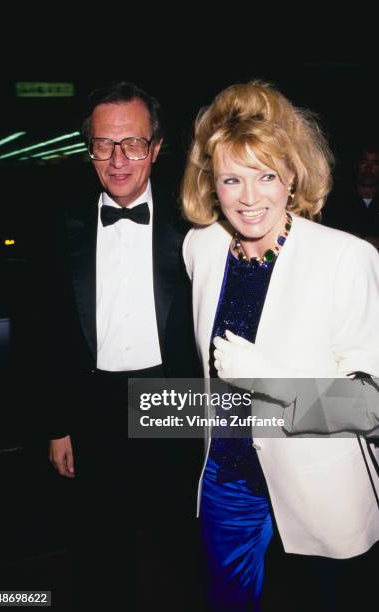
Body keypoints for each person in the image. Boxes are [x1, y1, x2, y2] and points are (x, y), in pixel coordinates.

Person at [181, 80, 379, 611]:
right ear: (211, 183)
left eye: (266, 175)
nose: (249, 198)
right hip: (228, 478)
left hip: (317, 480)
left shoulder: (346, 258)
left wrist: (267, 379)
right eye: (231, 179)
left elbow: (368, 407)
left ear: (291, 176)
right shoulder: (200, 247)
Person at [45, 81, 201, 609]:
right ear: (87, 148)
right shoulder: (59, 223)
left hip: (171, 397)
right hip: (95, 405)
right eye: (104, 145)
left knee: (184, 541)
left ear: (156, 148)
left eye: (132, 144)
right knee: (98, 550)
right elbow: (47, 334)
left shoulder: (196, 225)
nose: (117, 160)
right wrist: (57, 425)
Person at [322, 142, 379, 249]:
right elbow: (330, 237)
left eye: (375, 163)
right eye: (364, 162)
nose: (368, 169)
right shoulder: (337, 201)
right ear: (356, 166)